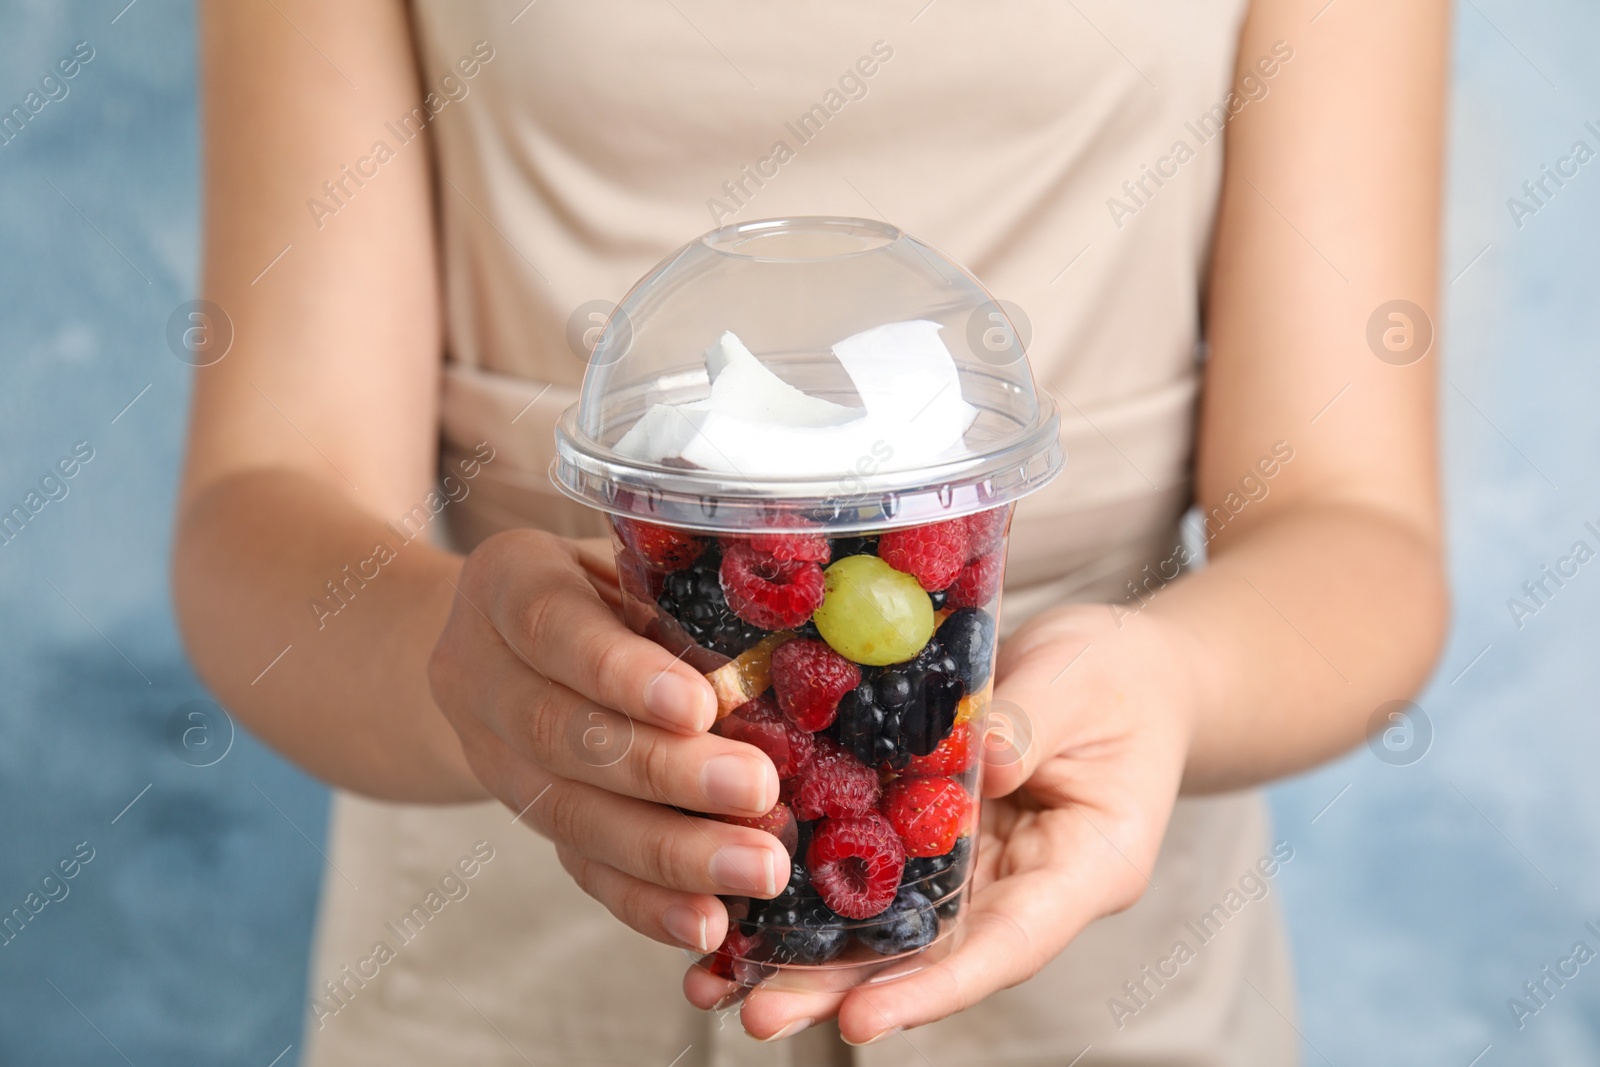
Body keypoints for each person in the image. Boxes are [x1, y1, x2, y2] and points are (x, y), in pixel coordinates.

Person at [174, 0, 1449, 1062]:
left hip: (1095, 971)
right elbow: (265, 505)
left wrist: (1169, 679)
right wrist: (472, 675)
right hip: (502, 956)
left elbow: (1356, 529)